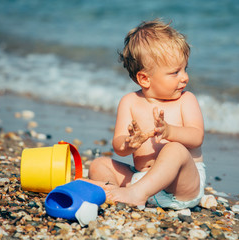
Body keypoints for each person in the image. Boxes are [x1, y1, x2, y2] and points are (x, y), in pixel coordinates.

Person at [87, 19, 206, 210]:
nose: (185, 77)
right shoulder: (129, 102)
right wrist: (128, 143)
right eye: (175, 72)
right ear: (144, 78)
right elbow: (118, 145)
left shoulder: (186, 99)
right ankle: (112, 192)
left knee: (174, 149)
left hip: (181, 187)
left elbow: (196, 137)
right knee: (99, 164)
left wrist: (169, 132)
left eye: (185, 69)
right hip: (141, 179)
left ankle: (132, 193)